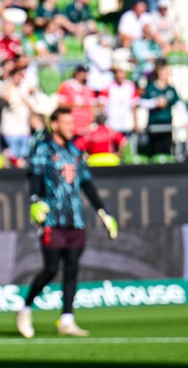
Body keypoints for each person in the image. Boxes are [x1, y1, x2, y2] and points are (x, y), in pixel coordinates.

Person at [17, 107, 118, 339]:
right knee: (51, 268)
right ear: (54, 125)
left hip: (76, 219)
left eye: (72, 123)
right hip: (52, 217)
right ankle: (25, 309)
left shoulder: (75, 151)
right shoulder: (44, 149)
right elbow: (35, 176)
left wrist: (103, 212)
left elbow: (86, 183)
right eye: (66, 123)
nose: (71, 127)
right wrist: (34, 201)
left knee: (72, 268)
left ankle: (67, 319)